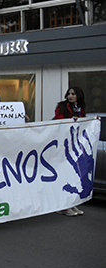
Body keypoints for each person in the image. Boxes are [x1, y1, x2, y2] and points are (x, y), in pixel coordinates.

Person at [54, 86, 86, 217]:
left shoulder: (81, 108)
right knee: (64, 174)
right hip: (63, 144)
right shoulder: (62, 107)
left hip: (75, 145)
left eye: (73, 94)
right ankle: (63, 205)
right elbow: (58, 122)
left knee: (73, 175)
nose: (70, 96)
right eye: (69, 94)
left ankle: (71, 203)